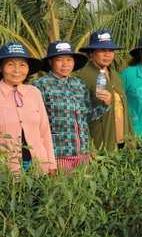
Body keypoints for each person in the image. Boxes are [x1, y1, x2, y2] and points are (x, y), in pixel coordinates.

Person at [34, 41, 111, 174]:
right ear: (51, 62)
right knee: (59, 192)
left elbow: (86, 117)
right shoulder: (40, 85)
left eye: (69, 60)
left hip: (82, 153)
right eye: (60, 60)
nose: (65, 64)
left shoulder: (79, 84)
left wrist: (105, 105)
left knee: (80, 192)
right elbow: (37, 124)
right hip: (58, 154)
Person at [0, 42, 56, 175]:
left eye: (22, 65)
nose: (17, 70)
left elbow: (44, 132)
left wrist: (51, 164)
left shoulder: (34, 92)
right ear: (1, 68)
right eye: (10, 64)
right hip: (6, 171)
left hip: (37, 168)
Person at [77, 29, 134, 151]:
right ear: (91, 53)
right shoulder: (83, 76)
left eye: (111, 51)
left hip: (122, 140)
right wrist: (88, 146)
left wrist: (131, 136)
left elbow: (124, 108)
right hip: (100, 142)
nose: (107, 54)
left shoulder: (116, 75)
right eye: (102, 50)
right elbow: (80, 115)